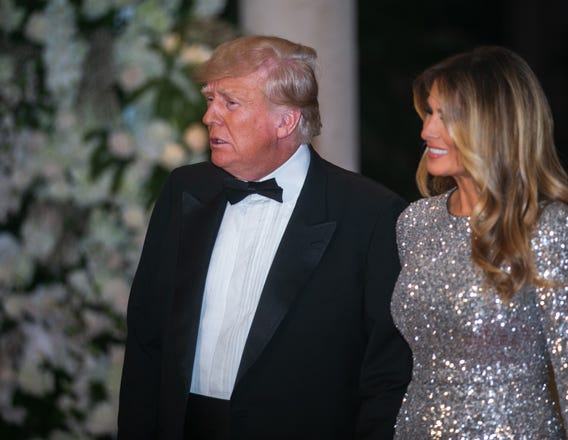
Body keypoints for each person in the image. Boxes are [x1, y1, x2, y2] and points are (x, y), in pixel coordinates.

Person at [117, 35, 412, 439]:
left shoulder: (370, 214)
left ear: (285, 121)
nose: (209, 117)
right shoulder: (185, 190)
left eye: (231, 103)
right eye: (210, 99)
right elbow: (146, 340)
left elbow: (386, 374)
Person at [390, 46, 568, 439]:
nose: (426, 131)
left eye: (445, 117)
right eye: (428, 113)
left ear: (493, 124)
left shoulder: (543, 227)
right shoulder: (415, 223)